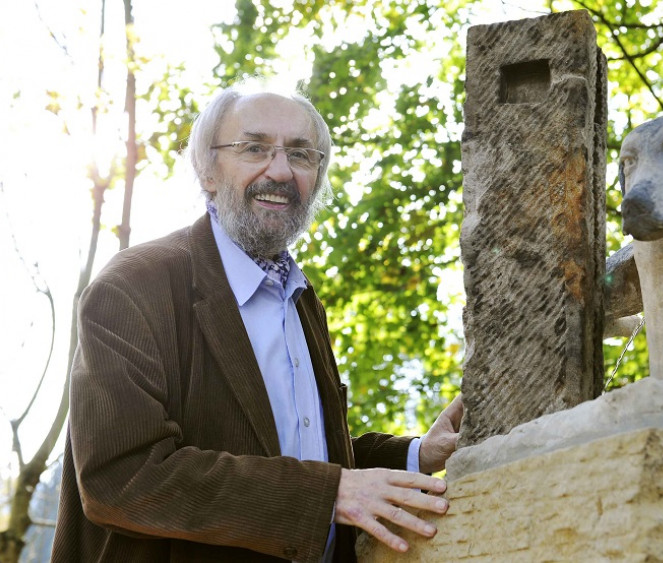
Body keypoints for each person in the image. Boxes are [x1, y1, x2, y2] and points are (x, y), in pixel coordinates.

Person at [51, 80, 464, 562]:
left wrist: (417, 454)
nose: (281, 171)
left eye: (302, 155)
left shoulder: (302, 299)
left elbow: (290, 451)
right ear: (207, 169)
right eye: (254, 149)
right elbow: (121, 477)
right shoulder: (134, 286)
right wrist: (326, 495)